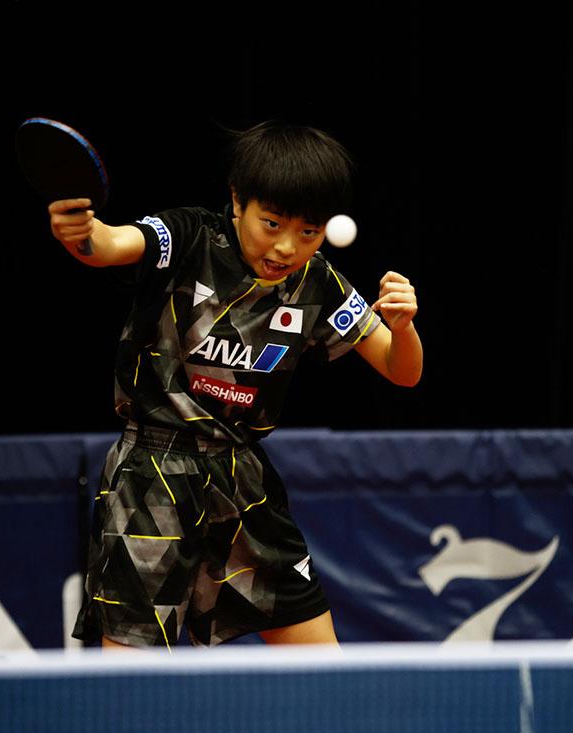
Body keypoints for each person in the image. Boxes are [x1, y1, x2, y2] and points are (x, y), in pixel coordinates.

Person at [56, 121, 422, 650]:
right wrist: (83, 233)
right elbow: (111, 243)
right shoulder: (187, 239)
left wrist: (404, 327)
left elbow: (401, 370)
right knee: (132, 693)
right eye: (271, 223)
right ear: (237, 200)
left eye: (308, 232)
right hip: (151, 481)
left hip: (242, 484)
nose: (285, 247)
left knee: (326, 674)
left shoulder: (317, 282)